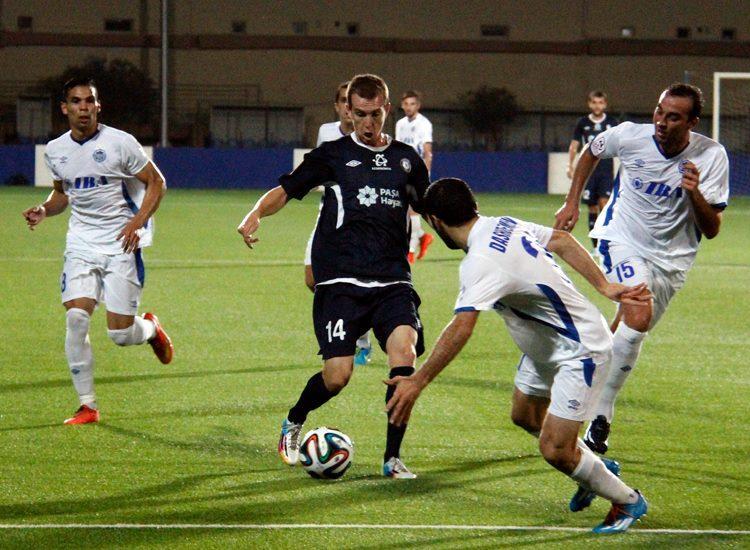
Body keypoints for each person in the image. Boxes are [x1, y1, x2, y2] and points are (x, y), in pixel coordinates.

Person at [385, 177, 651, 533]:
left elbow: (461, 327)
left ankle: (628, 501)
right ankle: (594, 470)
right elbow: (562, 239)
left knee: (556, 449)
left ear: (435, 220)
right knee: (525, 415)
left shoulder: (481, 261)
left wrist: (418, 381)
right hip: (546, 346)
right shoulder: (502, 224)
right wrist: (603, 285)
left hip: (580, 349)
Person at [237, 74, 430, 478]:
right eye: (359, 114)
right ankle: (294, 419)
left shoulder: (406, 160)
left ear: (387, 110)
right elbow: (287, 189)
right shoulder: (333, 155)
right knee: (338, 376)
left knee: (405, 354)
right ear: (347, 110)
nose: (367, 122)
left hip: (393, 280)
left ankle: (392, 458)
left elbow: (430, 209)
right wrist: (256, 213)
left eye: (374, 114)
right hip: (341, 282)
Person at [554, 83, 729, 454]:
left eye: (674, 117)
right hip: (621, 238)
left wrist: (694, 192)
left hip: (673, 259)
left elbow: (712, 228)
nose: (662, 122)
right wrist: (572, 202)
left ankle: (581, 375)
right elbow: (592, 150)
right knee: (638, 311)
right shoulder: (630, 136)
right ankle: (601, 414)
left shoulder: (711, 156)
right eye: (659, 111)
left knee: (627, 329)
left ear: (692, 122)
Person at [22, 77, 174, 425]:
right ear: (65, 108)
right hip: (81, 243)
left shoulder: (120, 143)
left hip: (121, 243)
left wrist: (138, 221)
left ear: (98, 106)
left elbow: (157, 182)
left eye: (89, 101)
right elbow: (62, 194)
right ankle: (87, 405)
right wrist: (44, 209)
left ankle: (150, 330)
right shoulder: (56, 150)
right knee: (76, 318)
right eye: (76, 101)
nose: (83, 108)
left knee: (120, 334)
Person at [567, 91, 619, 254]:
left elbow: (621, 143)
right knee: (592, 208)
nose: (597, 105)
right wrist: (570, 165)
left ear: (605, 104)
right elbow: (574, 145)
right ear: (590, 104)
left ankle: (605, 244)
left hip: (606, 171)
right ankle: (595, 247)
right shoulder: (582, 123)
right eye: (594, 102)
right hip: (588, 171)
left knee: (604, 205)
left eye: (600, 102)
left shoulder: (612, 122)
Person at [395, 90, 434, 264]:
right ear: (402, 105)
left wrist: (425, 176)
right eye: (406, 104)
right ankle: (422, 236)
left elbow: (427, 152)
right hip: (402, 171)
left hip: (417, 172)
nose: (409, 107)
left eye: (412, 104)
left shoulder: (424, 124)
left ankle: (410, 251)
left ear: (418, 105)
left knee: (412, 210)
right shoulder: (400, 124)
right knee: (403, 210)